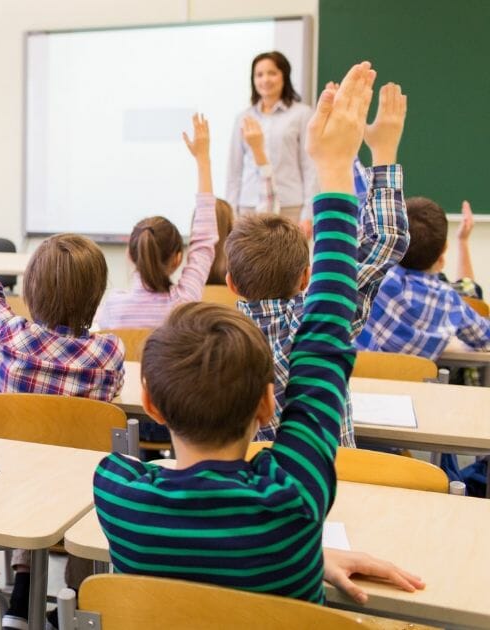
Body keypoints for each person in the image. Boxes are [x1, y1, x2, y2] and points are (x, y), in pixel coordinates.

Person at [95, 62, 423, 604]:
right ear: (270, 404)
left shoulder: (116, 492)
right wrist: (343, 167)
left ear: (149, 401)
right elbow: (328, 329)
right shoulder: (296, 499)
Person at [0, 140, 122, 627]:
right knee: (73, 478)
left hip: (7, 492)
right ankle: (73, 598)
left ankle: (23, 587)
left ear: (30, 289)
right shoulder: (110, 353)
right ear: (97, 294)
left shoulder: (9, 337)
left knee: (31, 459)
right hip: (80, 497)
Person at [226, 81, 408, 447]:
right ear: (308, 277)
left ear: (230, 282)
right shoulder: (322, 320)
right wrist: (383, 151)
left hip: (253, 497)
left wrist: (261, 160)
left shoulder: (214, 343)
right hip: (331, 495)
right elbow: (385, 239)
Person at [97, 114, 219, 329]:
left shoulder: (113, 307)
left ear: (130, 254)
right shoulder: (184, 304)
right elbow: (204, 240)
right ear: (177, 259)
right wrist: (203, 160)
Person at [357, 196, 490, 360]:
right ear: (444, 251)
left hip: (356, 380)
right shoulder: (449, 301)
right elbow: (486, 338)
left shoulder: (372, 278)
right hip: (413, 383)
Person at [226, 51, 315, 223]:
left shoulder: (302, 114)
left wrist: (308, 212)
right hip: (249, 206)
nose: (265, 79)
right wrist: (231, 211)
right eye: (259, 75)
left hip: (290, 206)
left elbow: (309, 167)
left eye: (272, 73)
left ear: (284, 76)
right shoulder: (243, 118)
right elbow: (234, 170)